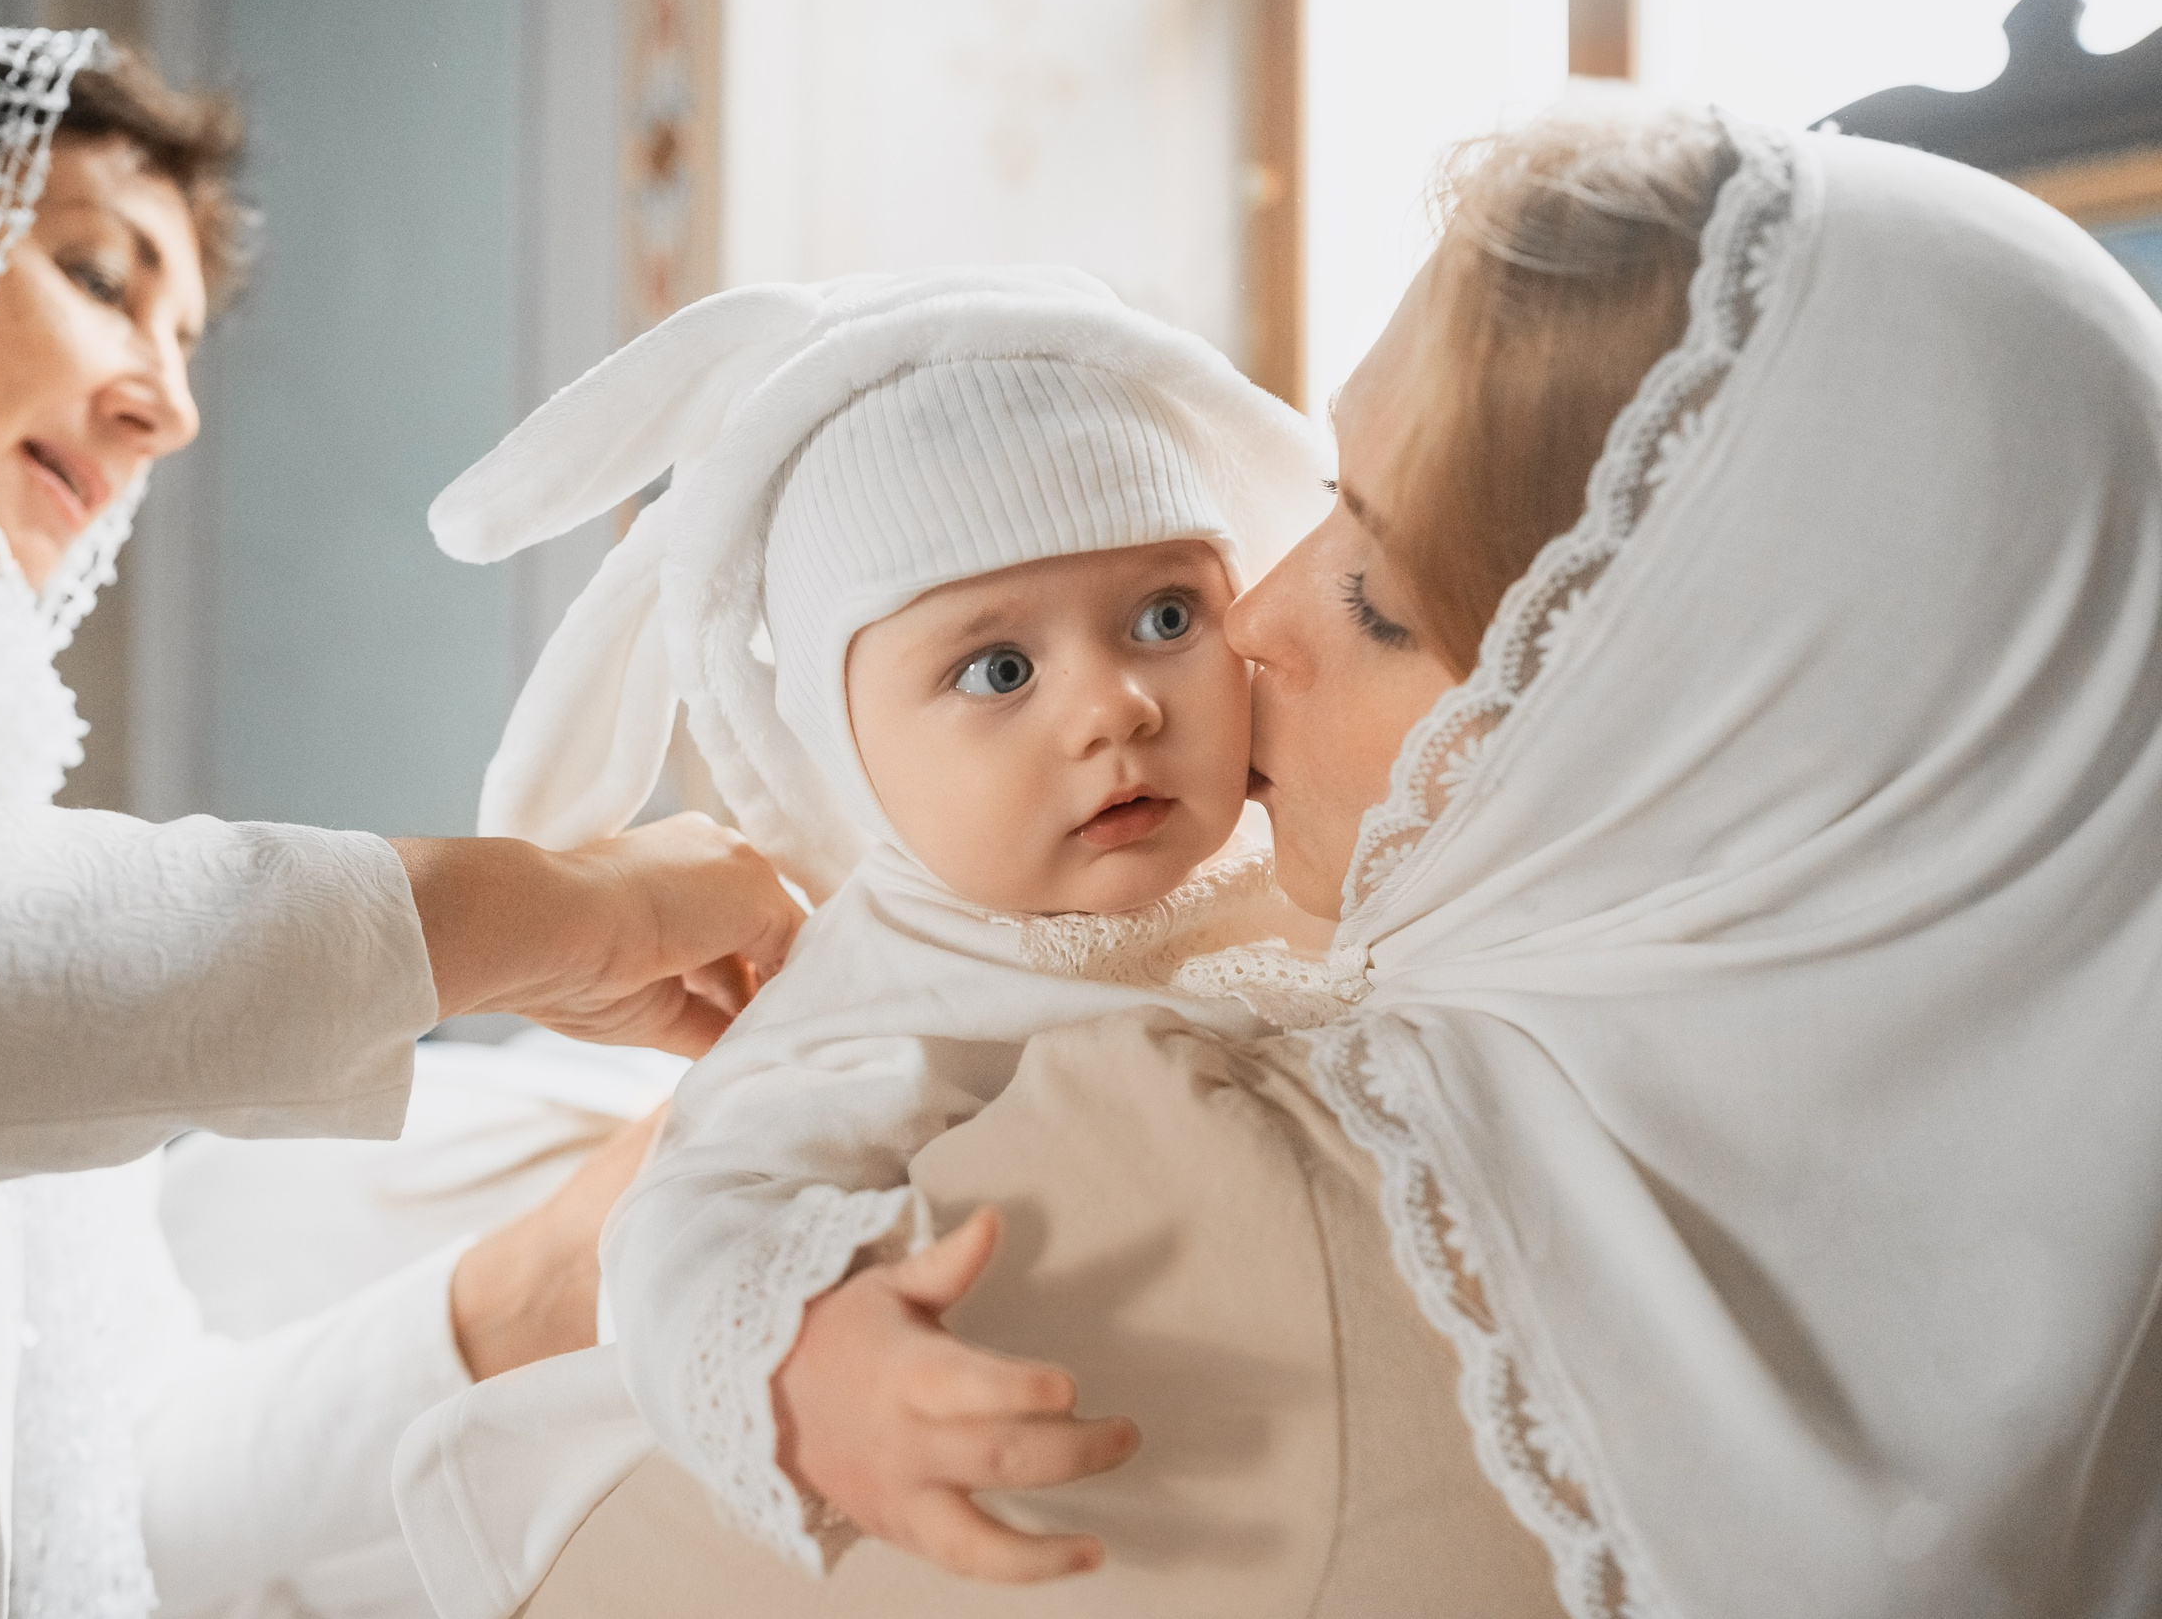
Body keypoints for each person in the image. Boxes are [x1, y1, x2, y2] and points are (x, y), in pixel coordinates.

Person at [421, 101, 2162, 1619]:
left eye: (1379, 600)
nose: (1250, 627)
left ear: (1693, 749)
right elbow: (699, 1230)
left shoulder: (1236, 1193)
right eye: (997, 666)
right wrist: (771, 1356)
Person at [0, 18, 800, 1619]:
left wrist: (544, 1278)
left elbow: (136, 1492)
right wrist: (513, 916)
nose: (169, 407)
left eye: (184, 339)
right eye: (100, 276)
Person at [402, 269, 1379, 1608]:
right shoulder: (879, 996)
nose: (1116, 707)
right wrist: (798, 1362)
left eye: (1167, 616)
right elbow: (688, 1223)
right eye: (999, 670)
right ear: (847, 745)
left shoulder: (1315, 843)